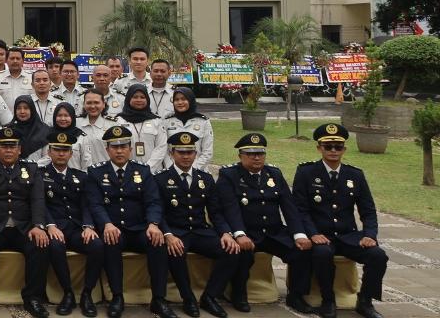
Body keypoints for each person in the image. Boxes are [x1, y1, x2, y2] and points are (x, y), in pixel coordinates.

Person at [215, 132, 319, 315]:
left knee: (301, 251)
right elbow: (230, 208)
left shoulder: (274, 174)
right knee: (242, 253)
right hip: (248, 231)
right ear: (240, 156)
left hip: (273, 231)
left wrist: (299, 234)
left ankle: (296, 295)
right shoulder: (229, 175)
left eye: (260, 153)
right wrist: (239, 234)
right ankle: (238, 294)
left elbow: (289, 207)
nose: (256, 157)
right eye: (251, 154)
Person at [291, 123, 388, 318]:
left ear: (344, 149)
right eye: (328, 147)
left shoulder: (355, 175)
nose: (333, 151)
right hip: (321, 235)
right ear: (319, 148)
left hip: (348, 235)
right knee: (321, 254)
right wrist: (313, 233)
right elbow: (300, 210)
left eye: (338, 147)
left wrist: (369, 235)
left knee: (378, 256)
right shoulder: (306, 173)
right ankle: (328, 300)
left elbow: (368, 211)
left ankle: (365, 301)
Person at [85, 125, 174, 318]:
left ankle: (158, 298)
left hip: (140, 227)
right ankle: (117, 296)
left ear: (130, 149)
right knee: (110, 241)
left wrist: (153, 224)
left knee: (157, 242)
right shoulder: (96, 173)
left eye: (124, 146)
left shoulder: (143, 171)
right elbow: (95, 204)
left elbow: (153, 201)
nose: (119, 151)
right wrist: (106, 224)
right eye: (114, 147)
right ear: (107, 149)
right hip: (114, 227)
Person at [154, 132, 236, 318]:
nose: (186, 156)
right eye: (181, 152)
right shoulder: (160, 179)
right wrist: (167, 235)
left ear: (195, 154)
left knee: (231, 250)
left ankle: (210, 297)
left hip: (200, 231)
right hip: (176, 231)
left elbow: (215, 212)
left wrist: (225, 232)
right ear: (172, 153)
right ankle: (188, 298)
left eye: (190, 152)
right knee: (175, 251)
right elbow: (158, 212)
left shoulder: (205, 178)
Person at [0, 126, 50, 318]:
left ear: (20, 149)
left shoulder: (31, 169)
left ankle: (33, 298)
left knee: (40, 244)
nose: (8, 150)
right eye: (4, 146)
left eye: (12, 146)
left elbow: (38, 199)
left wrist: (39, 226)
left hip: (23, 228)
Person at [39, 130, 102, 318]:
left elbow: (87, 204)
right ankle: (67, 293)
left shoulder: (81, 176)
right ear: (49, 152)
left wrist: (88, 226)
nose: (61, 153)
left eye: (65, 150)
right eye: (57, 149)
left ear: (71, 154)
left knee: (97, 245)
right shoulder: (40, 175)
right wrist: (49, 225)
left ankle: (87, 294)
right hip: (55, 228)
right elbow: (39, 204)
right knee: (55, 247)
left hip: (76, 228)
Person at [158, 88, 214, 172]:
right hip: (173, 172)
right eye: (176, 100)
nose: (180, 102)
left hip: (199, 171)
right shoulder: (166, 121)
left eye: (184, 99)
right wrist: (174, 169)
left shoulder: (203, 122)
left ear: (190, 100)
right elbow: (164, 150)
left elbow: (207, 152)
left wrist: (192, 170)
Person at [114, 85, 165, 166]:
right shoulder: (118, 121)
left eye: (142, 97)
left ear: (147, 99)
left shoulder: (156, 121)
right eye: (135, 97)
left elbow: (161, 147)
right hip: (127, 171)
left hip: (152, 172)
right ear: (128, 99)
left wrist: (148, 169)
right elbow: (115, 147)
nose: (139, 100)